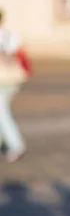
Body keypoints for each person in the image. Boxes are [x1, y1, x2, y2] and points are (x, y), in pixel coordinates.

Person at [0, 9, 30, 163]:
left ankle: (16, 145)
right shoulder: (9, 34)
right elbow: (21, 54)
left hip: (3, 79)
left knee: (1, 112)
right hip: (14, 79)